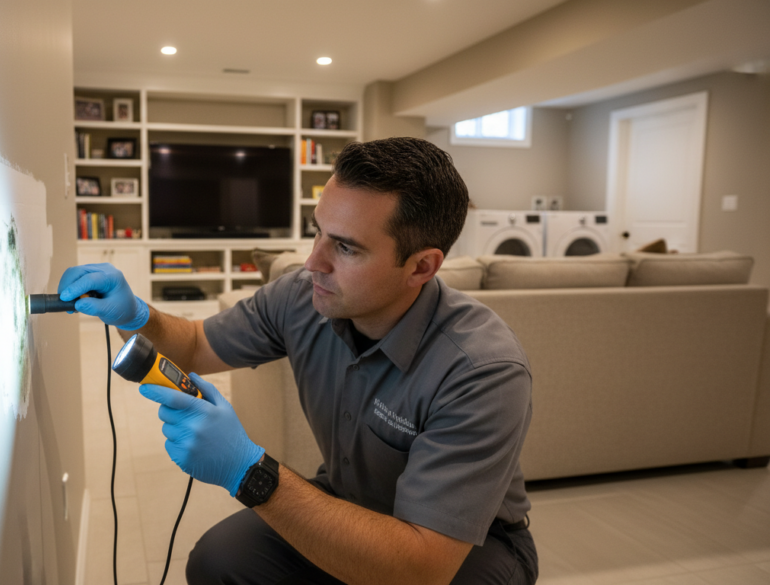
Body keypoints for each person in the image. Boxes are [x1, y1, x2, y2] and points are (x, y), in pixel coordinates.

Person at [57, 137, 538, 585]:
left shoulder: (481, 369)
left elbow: (420, 569)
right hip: (350, 499)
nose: (313, 262)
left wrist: (249, 471)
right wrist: (136, 314)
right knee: (217, 561)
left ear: (421, 266)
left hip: (465, 545)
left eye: (345, 247)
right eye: (318, 233)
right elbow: (196, 344)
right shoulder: (300, 297)